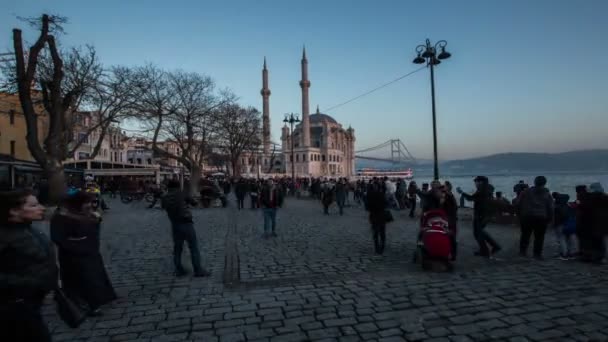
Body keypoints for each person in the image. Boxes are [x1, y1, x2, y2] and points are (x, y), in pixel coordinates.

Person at [0, 189, 57, 342]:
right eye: (33, 205)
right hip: (14, 306)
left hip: (32, 302)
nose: (42, 208)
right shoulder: (4, 235)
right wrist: (29, 284)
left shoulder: (28, 228)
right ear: (13, 210)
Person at [50, 191, 116, 316]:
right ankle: (83, 304)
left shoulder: (87, 214)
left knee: (94, 277)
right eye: (87, 203)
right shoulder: (62, 216)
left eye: (91, 202)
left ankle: (97, 300)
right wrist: (77, 245)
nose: (90, 205)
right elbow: (58, 237)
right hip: (73, 256)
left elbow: (92, 232)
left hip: (90, 252)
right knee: (79, 280)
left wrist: (96, 220)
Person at [161, 180, 210, 277]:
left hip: (175, 224)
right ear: (178, 186)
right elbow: (194, 203)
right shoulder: (181, 194)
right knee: (193, 247)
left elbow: (164, 207)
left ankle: (179, 270)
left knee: (177, 248)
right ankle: (198, 270)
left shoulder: (164, 197)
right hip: (186, 223)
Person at [457, 176, 502, 258]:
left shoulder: (482, 191)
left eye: (476, 182)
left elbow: (471, 198)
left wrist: (461, 192)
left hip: (481, 214)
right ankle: (492, 247)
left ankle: (486, 250)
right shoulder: (487, 189)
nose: (475, 184)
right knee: (479, 232)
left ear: (481, 182)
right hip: (485, 214)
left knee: (478, 233)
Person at [516, 176, 554, 259]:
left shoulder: (525, 192)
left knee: (525, 235)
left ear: (535, 182)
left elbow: (518, 203)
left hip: (527, 216)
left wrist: (520, 215)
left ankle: (522, 252)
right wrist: (550, 219)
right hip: (541, 217)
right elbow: (550, 208)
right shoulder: (547, 194)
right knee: (539, 237)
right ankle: (537, 254)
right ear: (544, 183)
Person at [577, 182, 608, 264]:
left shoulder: (591, 198)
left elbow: (586, 209)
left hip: (592, 222)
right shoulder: (605, 198)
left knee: (593, 241)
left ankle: (593, 256)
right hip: (603, 223)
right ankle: (601, 257)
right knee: (600, 241)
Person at [367, 181, 389, 255]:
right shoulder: (382, 194)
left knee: (375, 232)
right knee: (382, 232)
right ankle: (382, 247)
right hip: (381, 215)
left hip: (374, 215)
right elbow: (386, 204)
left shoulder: (370, 195)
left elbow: (367, 206)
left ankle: (377, 247)